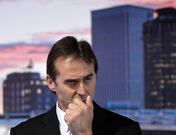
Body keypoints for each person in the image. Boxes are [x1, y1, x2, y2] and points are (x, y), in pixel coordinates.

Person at [10, 36, 142, 135]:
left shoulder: (127, 130)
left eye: (88, 79)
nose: (82, 91)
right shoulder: (23, 132)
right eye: (72, 82)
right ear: (51, 83)